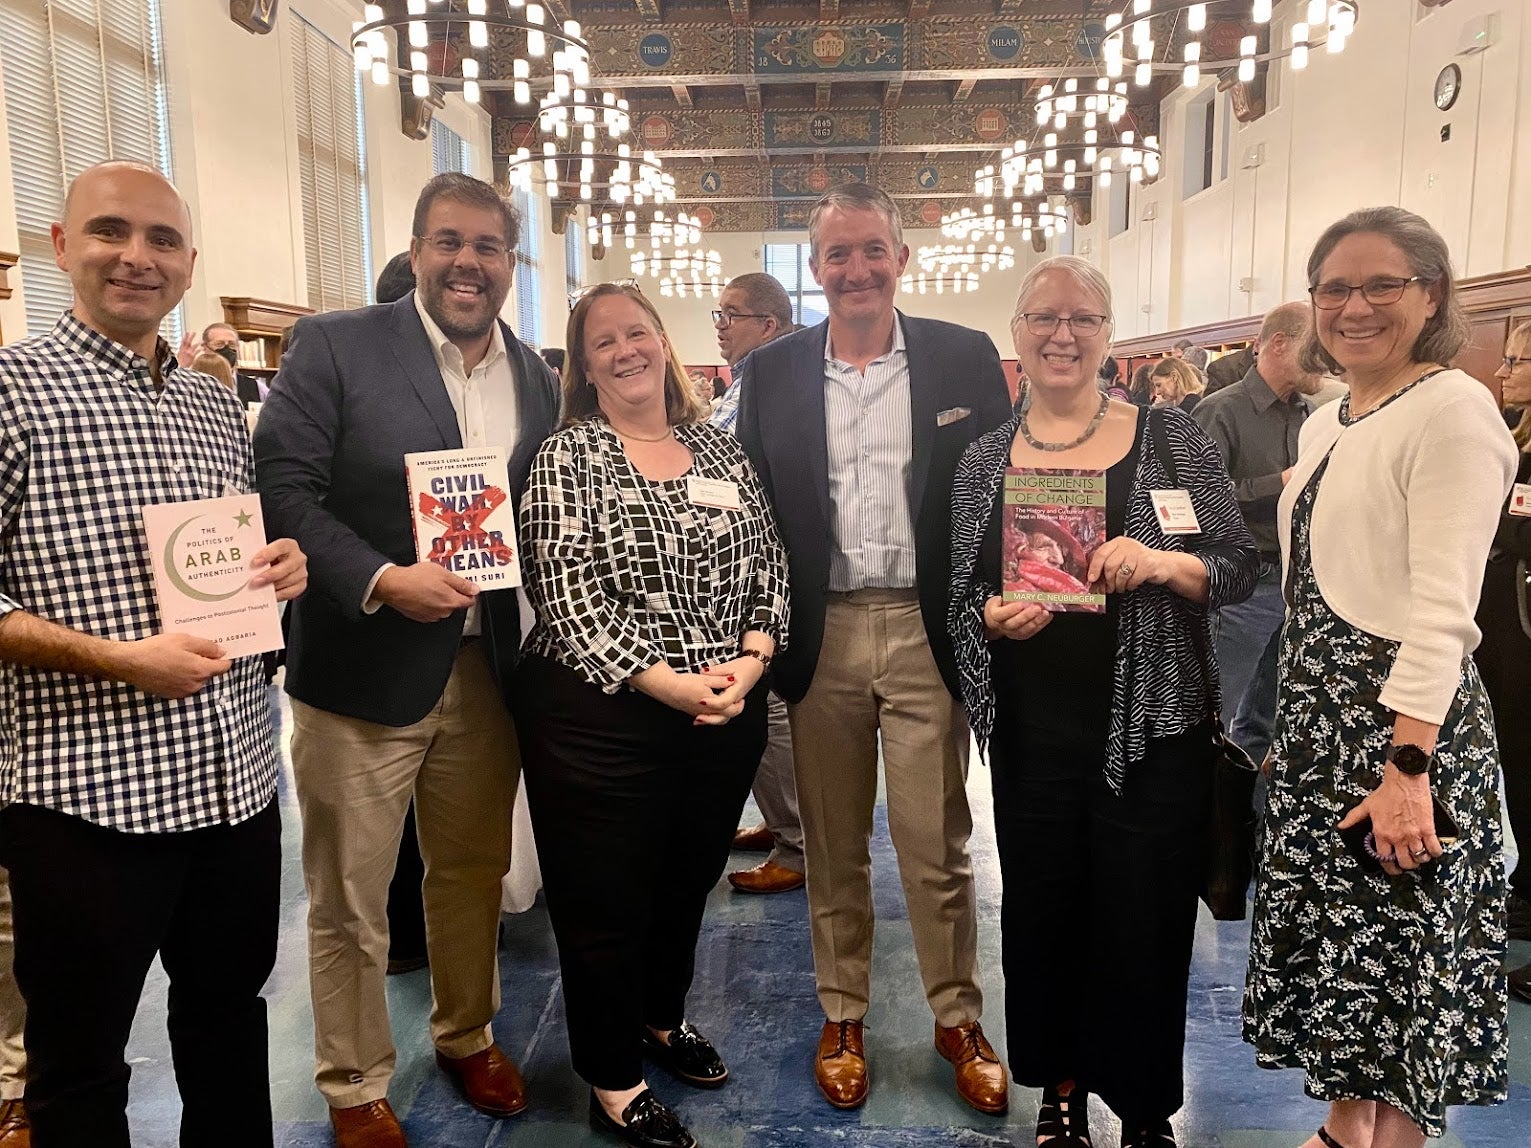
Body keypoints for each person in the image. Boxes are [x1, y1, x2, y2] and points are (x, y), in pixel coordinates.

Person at [0, 160, 308, 1147]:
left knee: (228, 1019)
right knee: (81, 1056)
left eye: (162, 239)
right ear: (60, 246)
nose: (136, 256)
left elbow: (231, 559)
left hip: (233, 783)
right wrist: (121, 658)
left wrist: (282, 565)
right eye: (110, 231)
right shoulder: (13, 394)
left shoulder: (214, 404)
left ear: (187, 265)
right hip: (87, 796)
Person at [253, 172, 561, 1148]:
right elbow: (284, 489)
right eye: (449, 242)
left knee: (469, 870)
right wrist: (383, 576)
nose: (468, 262)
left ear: (511, 262)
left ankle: (467, 1029)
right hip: (363, 667)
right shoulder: (340, 343)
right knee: (350, 888)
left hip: (486, 669)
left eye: (488, 247)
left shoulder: (536, 375)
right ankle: (352, 1081)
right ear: (420, 249)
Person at [948, 255, 1257, 1148]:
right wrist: (991, 619)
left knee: (1146, 920)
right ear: (1017, 336)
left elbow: (1236, 565)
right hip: (1033, 734)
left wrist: (1160, 561)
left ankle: (1147, 1105)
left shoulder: (1174, 440)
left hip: (1152, 730)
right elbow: (957, 591)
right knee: (1044, 913)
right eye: (1044, 318)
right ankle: (1061, 1091)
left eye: (1082, 318)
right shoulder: (980, 461)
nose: (1062, 335)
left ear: (1107, 334)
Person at [1243, 206, 1517, 1147]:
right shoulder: (1330, 418)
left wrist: (1409, 768)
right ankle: (1337, 1129)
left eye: (1380, 285)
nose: (1353, 307)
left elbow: (1444, 611)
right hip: (1323, 723)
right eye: (1333, 288)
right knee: (1344, 950)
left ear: (1431, 294)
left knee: (1402, 958)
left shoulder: (1452, 409)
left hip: (1403, 731)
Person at [736, 183, 1012, 1115]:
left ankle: (955, 1016)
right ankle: (843, 1010)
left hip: (926, 628)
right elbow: (750, 510)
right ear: (814, 273)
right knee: (833, 839)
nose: (855, 269)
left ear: (902, 257)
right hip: (822, 632)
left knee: (936, 841)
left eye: (871, 251)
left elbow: (1001, 487)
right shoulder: (771, 373)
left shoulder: (960, 357)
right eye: (836, 256)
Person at [514, 282, 788, 1148]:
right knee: (605, 902)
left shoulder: (719, 449)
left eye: (638, 333)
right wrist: (669, 682)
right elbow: (566, 593)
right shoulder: (566, 457)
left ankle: (661, 1018)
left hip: (722, 710)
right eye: (604, 342)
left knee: (683, 883)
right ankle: (612, 1073)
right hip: (602, 719)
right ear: (584, 364)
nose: (626, 351)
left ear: (664, 343)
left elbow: (770, 563)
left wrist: (750, 659)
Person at [707, 272, 805, 895]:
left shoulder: (779, 385)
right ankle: (778, 822)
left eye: (730, 315)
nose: (719, 327)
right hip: (738, 571)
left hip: (765, 575)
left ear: (767, 325)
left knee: (770, 713)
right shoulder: (747, 381)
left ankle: (798, 844)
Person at [1193, 302, 1317, 770]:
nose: (1325, 357)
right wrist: (1280, 483)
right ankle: (1207, 828)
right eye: (1315, 344)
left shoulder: (1310, 414)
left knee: (1267, 719)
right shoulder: (1220, 411)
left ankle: (1249, 828)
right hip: (1242, 586)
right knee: (1215, 715)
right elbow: (1193, 501)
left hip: (1296, 582)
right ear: (1280, 343)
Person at [1476, 320, 1531, 997]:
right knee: (1516, 768)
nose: (1504, 370)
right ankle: (1525, 892)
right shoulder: (1512, 435)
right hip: (1505, 637)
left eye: (1519, 361)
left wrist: (1495, 520)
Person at [202, 321, 265, 405]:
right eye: (219, 344)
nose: (227, 349)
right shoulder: (195, 384)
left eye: (232, 344)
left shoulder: (257, 387)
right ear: (205, 347)